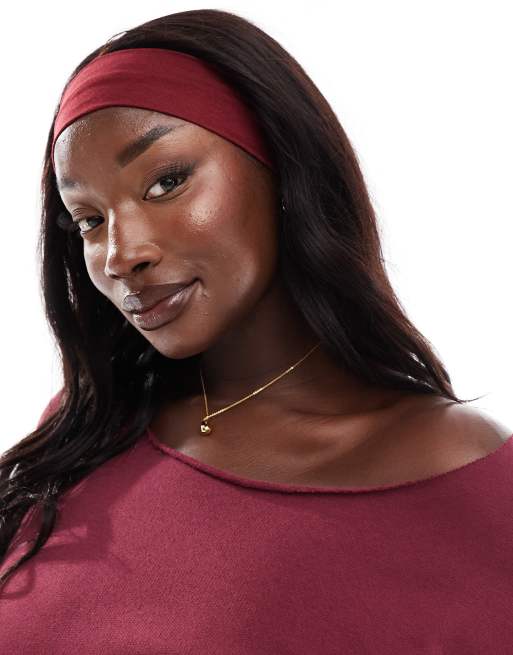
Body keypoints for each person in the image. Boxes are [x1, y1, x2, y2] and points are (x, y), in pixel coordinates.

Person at [1, 8, 512, 653]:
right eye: (89, 219)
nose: (120, 254)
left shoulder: (460, 473)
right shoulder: (86, 431)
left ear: (282, 167)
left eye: (166, 182)